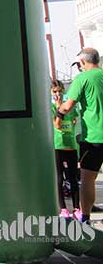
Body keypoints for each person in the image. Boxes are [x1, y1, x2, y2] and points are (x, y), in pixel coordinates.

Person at [55, 48, 103, 224]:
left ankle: (86, 219)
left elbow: (67, 106)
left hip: (94, 138)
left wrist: (58, 115)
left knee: (87, 178)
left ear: (83, 62)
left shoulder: (82, 78)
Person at [52, 79, 80, 220]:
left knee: (73, 177)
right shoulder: (51, 107)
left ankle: (76, 208)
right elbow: (57, 125)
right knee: (59, 178)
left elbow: (74, 121)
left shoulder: (70, 107)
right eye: (54, 91)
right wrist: (58, 108)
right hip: (58, 146)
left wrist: (64, 109)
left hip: (71, 146)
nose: (58, 94)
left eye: (60, 91)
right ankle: (63, 208)